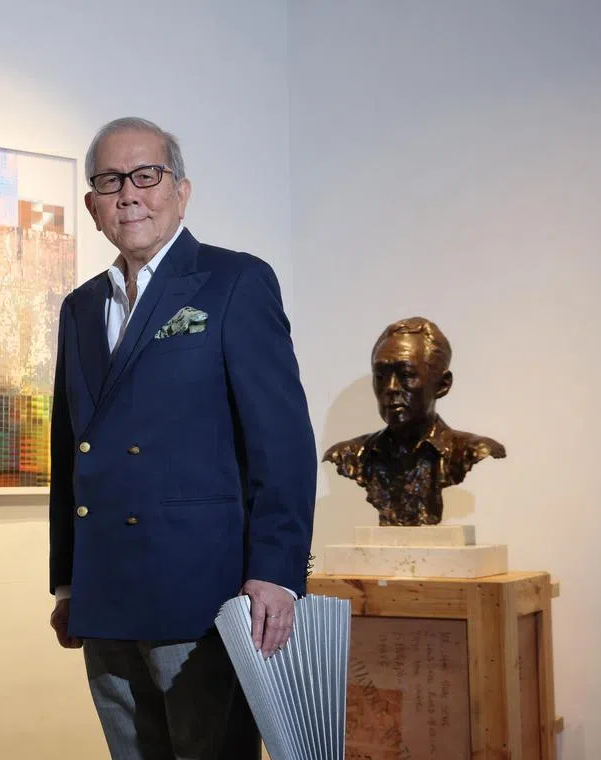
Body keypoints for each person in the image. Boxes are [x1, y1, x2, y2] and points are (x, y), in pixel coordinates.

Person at [48, 117, 317, 759]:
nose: (129, 193)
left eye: (147, 176)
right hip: (106, 591)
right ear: (92, 206)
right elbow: (70, 453)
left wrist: (278, 573)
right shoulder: (81, 307)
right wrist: (66, 582)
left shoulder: (233, 282)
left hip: (203, 593)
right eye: (111, 181)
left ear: (181, 191)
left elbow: (282, 441)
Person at [323, 317, 506, 525]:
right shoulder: (350, 455)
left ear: (442, 385)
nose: (391, 388)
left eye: (406, 374)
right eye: (381, 376)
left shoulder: (471, 450)